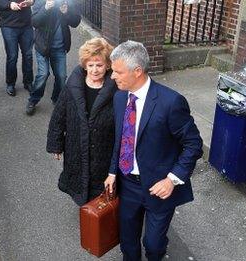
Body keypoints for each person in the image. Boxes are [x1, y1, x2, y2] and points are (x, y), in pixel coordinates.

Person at [104, 41, 203, 261]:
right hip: (127, 183)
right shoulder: (120, 97)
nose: (112, 76)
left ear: (137, 71)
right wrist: (112, 171)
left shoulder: (171, 102)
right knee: (128, 241)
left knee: (154, 244)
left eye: (118, 71)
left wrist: (172, 179)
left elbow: (194, 144)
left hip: (158, 186)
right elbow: (121, 139)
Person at [46, 38, 116, 206]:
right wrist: (56, 144)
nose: (94, 70)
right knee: (79, 180)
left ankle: (97, 216)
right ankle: (87, 213)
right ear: (85, 65)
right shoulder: (74, 85)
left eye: (99, 65)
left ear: (107, 65)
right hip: (76, 146)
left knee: (100, 187)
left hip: (104, 148)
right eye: (90, 65)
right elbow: (59, 115)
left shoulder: (116, 89)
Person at [25, 0, 80, 116]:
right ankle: (33, 100)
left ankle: (57, 99)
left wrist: (66, 13)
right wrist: (45, 8)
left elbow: (76, 22)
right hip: (43, 46)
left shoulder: (68, 2)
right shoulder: (40, 2)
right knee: (43, 74)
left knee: (61, 76)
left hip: (60, 47)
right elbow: (34, 22)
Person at [0, 0, 34, 96]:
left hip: (27, 23)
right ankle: (10, 83)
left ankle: (28, 82)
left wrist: (31, 1)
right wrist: (8, 5)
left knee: (28, 55)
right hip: (8, 24)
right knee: (12, 56)